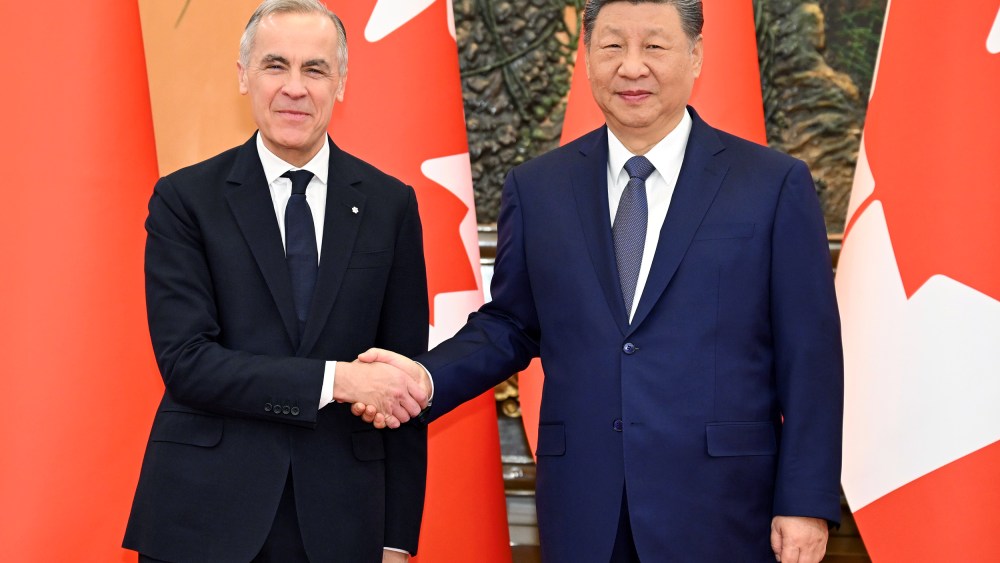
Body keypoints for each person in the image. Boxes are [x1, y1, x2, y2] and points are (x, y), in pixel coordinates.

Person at [355, 0, 844, 561]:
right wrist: (422, 376)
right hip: (586, 506)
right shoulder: (538, 188)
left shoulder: (772, 184)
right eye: (612, 46)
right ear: (587, 58)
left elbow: (811, 356)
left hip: (725, 507)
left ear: (696, 54)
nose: (631, 67)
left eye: (654, 46)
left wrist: (806, 501)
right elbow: (511, 325)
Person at [123, 1, 430, 561]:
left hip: (344, 520)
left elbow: (402, 381)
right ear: (243, 76)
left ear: (341, 82)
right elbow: (187, 361)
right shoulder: (185, 200)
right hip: (204, 517)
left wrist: (397, 538)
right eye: (275, 66)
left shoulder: (391, 205)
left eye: (315, 69)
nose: (295, 88)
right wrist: (335, 380)